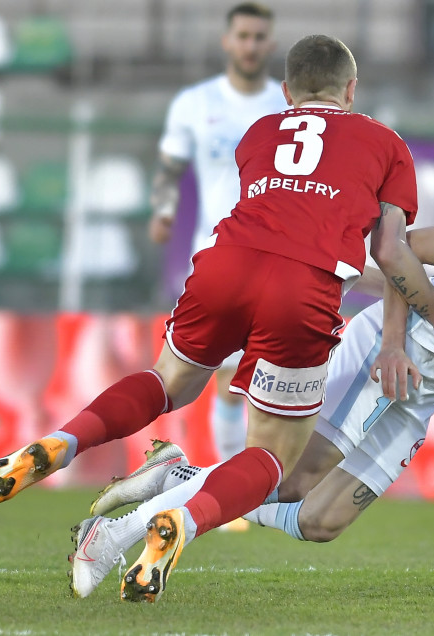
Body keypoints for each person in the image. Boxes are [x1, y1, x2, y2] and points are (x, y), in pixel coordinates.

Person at [0, 34, 434, 604]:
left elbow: (281, 219)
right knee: (273, 458)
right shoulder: (387, 144)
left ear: (286, 91)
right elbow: (394, 253)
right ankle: (184, 521)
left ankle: (60, 441)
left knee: (165, 383)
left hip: (226, 265)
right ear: (351, 89)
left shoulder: (259, 134)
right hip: (302, 291)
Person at [66, 134, 434, 598]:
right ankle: (115, 536)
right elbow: (396, 251)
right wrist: (390, 344)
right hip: (397, 354)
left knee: (320, 520)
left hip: (429, 386)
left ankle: (178, 479)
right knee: (293, 477)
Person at [150, 3, 288, 513]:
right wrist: (163, 211)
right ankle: (232, 498)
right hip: (215, 257)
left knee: (262, 383)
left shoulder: (285, 104)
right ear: (227, 41)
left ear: (270, 45)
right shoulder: (194, 103)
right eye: (243, 36)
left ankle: (235, 491)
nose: (251, 45)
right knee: (228, 382)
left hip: (276, 258)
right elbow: (170, 166)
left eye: (259, 37)